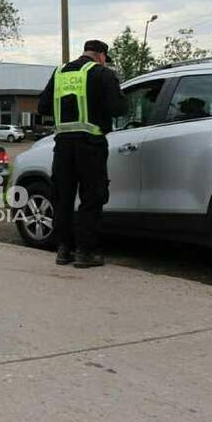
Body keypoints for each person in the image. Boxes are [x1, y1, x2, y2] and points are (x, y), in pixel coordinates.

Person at [37, 40, 126, 268]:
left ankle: (64, 250)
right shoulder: (102, 74)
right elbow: (118, 109)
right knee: (92, 198)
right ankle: (86, 252)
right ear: (101, 56)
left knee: (63, 198)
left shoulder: (59, 73)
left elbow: (43, 107)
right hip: (91, 146)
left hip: (62, 146)